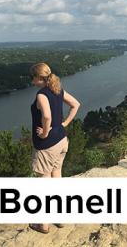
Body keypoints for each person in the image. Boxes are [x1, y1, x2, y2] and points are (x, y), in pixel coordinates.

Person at [27, 62, 81, 234]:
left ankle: (43, 224)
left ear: (39, 78)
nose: (31, 80)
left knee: (43, 183)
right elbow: (76, 105)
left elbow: (47, 116)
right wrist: (64, 123)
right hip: (61, 140)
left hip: (46, 146)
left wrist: (43, 134)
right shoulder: (57, 89)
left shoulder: (42, 95)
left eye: (32, 77)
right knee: (56, 175)